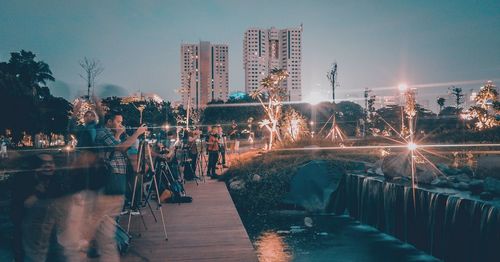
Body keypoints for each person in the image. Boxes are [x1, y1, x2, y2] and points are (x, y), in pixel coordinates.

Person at [91, 111, 147, 261]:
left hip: (118, 172)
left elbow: (116, 148)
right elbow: (121, 149)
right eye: (118, 122)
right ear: (109, 122)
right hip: (112, 173)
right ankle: (108, 243)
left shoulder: (110, 135)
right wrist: (137, 133)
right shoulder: (103, 133)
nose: (120, 125)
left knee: (115, 209)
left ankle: (112, 241)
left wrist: (118, 135)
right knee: (112, 209)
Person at [10, 153, 79, 262]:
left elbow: (65, 206)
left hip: (51, 235)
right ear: (34, 167)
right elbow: (25, 206)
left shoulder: (58, 180)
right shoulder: (23, 179)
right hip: (29, 234)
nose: (48, 166)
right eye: (43, 163)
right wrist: (40, 191)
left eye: (51, 163)